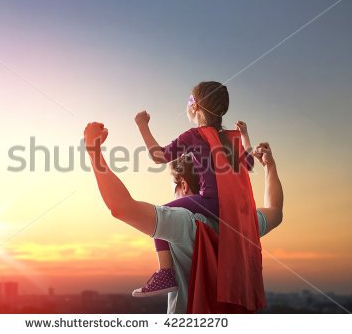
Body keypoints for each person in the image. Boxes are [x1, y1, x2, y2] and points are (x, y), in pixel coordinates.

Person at [84, 122, 283, 313]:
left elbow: (122, 207)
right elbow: (275, 210)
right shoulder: (245, 222)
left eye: (174, 187)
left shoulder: (184, 223)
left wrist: (93, 150)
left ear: (184, 185)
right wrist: (269, 166)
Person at [133, 81, 254, 296]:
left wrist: (142, 125)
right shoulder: (231, 138)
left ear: (195, 106)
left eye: (190, 100)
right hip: (236, 207)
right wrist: (244, 136)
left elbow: (158, 156)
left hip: (211, 202)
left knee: (159, 215)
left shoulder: (195, 135)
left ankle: (165, 272)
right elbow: (249, 164)